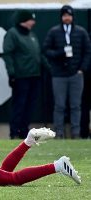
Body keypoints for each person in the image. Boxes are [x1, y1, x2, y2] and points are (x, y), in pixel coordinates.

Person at [43, 5, 91, 139]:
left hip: (76, 74)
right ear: (61, 17)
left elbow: (87, 51)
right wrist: (60, 53)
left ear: (72, 17)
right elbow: (46, 50)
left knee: (76, 105)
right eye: (64, 15)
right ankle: (58, 133)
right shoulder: (54, 32)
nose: (67, 18)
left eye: (69, 15)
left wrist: (82, 68)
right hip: (59, 75)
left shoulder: (81, 32)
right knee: (59, 105)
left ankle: (76, 133)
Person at [3, 10, 47, 139]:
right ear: (24, 20)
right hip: (21, 77)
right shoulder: (13, 34)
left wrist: (47, 68)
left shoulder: (31, 34)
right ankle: (14, 131)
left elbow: (37, 54)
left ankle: (24, 130)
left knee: (30, 105)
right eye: (31, 19)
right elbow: (7, 54)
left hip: (34, 75)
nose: (33, 22)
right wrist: (11, 73)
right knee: (19, 104)